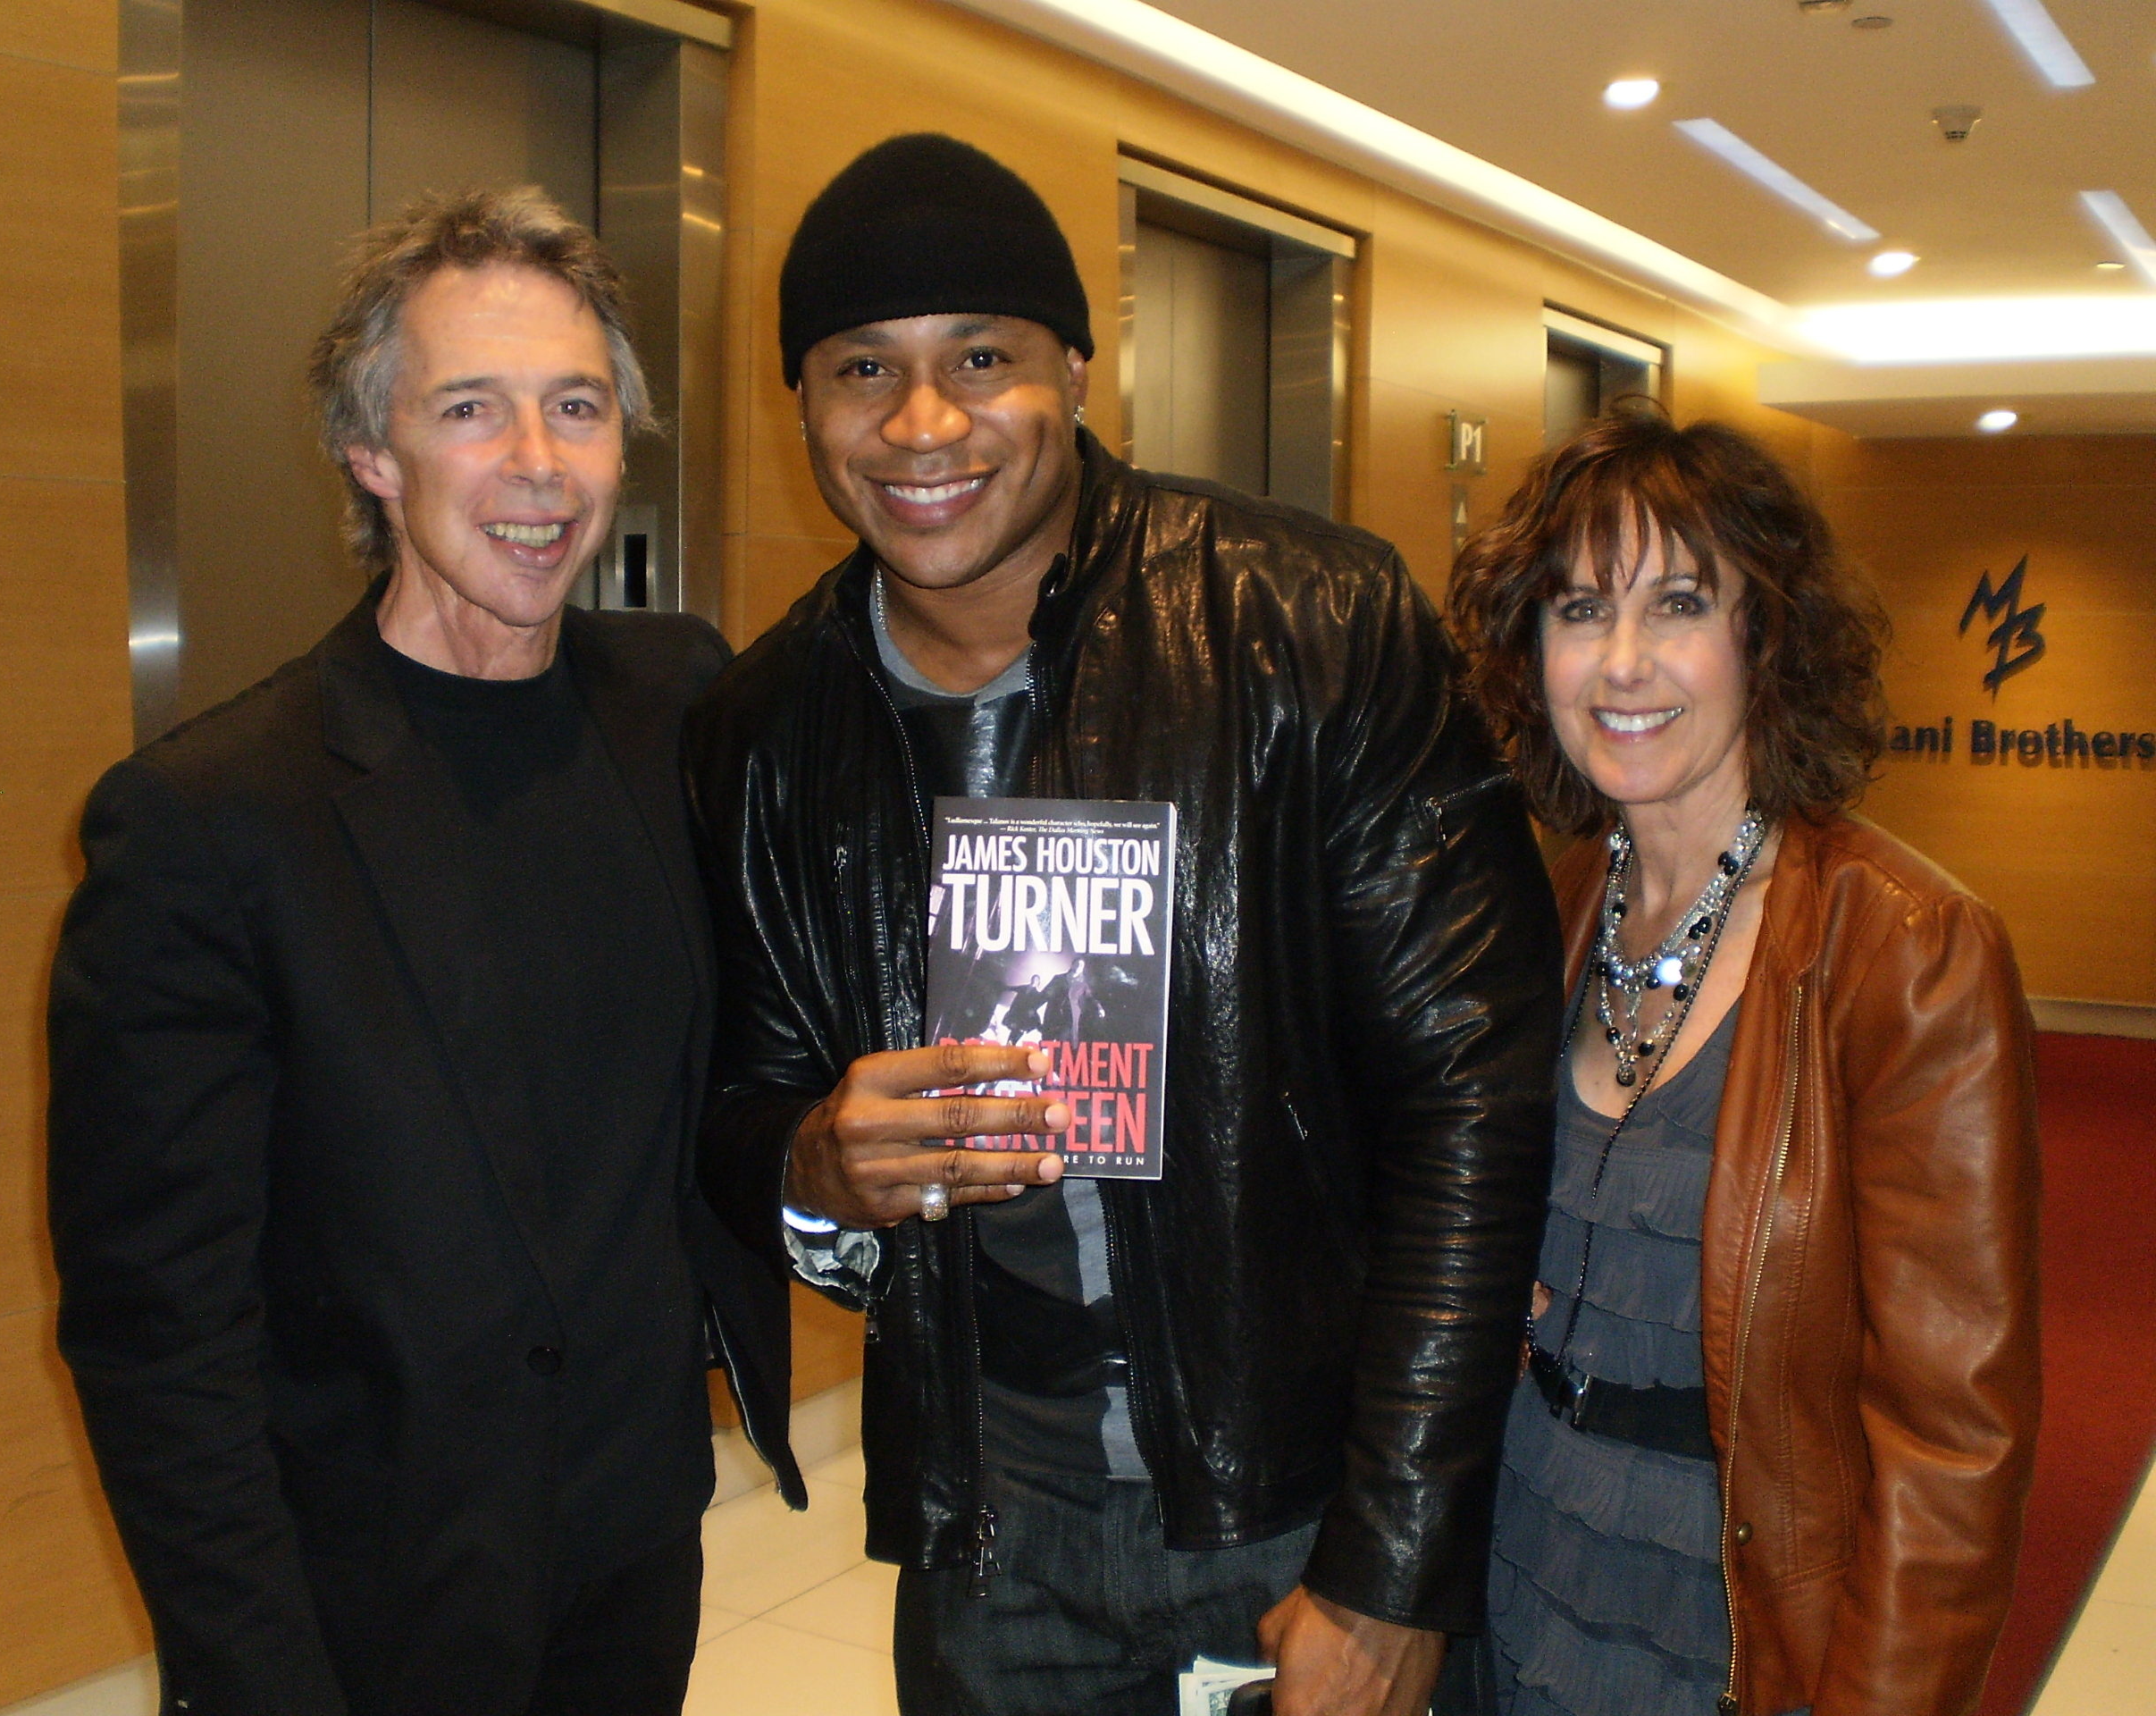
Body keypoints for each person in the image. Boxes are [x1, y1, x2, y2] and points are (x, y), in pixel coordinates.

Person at [684, 133, 1564, 1716]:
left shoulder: (1308, 623)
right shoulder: (768, 723)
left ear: (1080, 372)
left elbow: (1472, 1094)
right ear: (800, 402)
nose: (923, 422)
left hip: (1303, 1495)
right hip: (988, 1532)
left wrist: (1395, 1557)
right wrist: (816, 1161)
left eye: (984, 358)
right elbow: (742, 1107)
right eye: (861, 368)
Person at [47, 188, 797, 1716]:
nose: (538, 465)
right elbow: (158, 1332)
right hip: (369, 1595)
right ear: (371, 454)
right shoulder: (209, 823)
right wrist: (255, 1678)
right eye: (473, 408)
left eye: (576, 407)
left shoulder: (681, 705)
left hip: (636, 1546)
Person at [1440, 410, 2040, 1716]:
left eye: (1681, 603)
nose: (1624, 662)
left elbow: (1955, 1451)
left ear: (1764, 635)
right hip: (1518, 1577)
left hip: (1732, 1637)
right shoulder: (1549, 906)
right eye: (1580, 609)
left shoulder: (1906, 955)